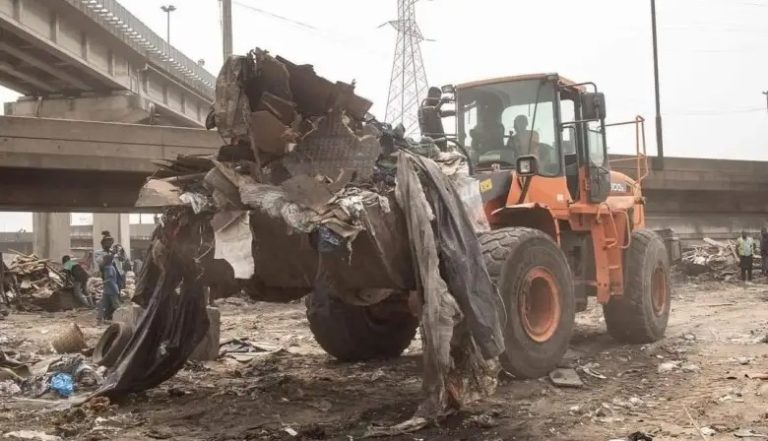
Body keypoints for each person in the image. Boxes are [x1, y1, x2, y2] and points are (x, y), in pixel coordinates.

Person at [97, 254, 121, 324]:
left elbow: (109, 279)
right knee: (103, 305)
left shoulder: (109, 268)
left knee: (115, 305)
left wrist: (101, 283)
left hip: (111, 290)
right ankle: (101, 319)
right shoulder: (110, 267)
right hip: (108, 290)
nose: (102, 261)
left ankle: (121, 317)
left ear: (107, 260)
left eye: (103, 259)